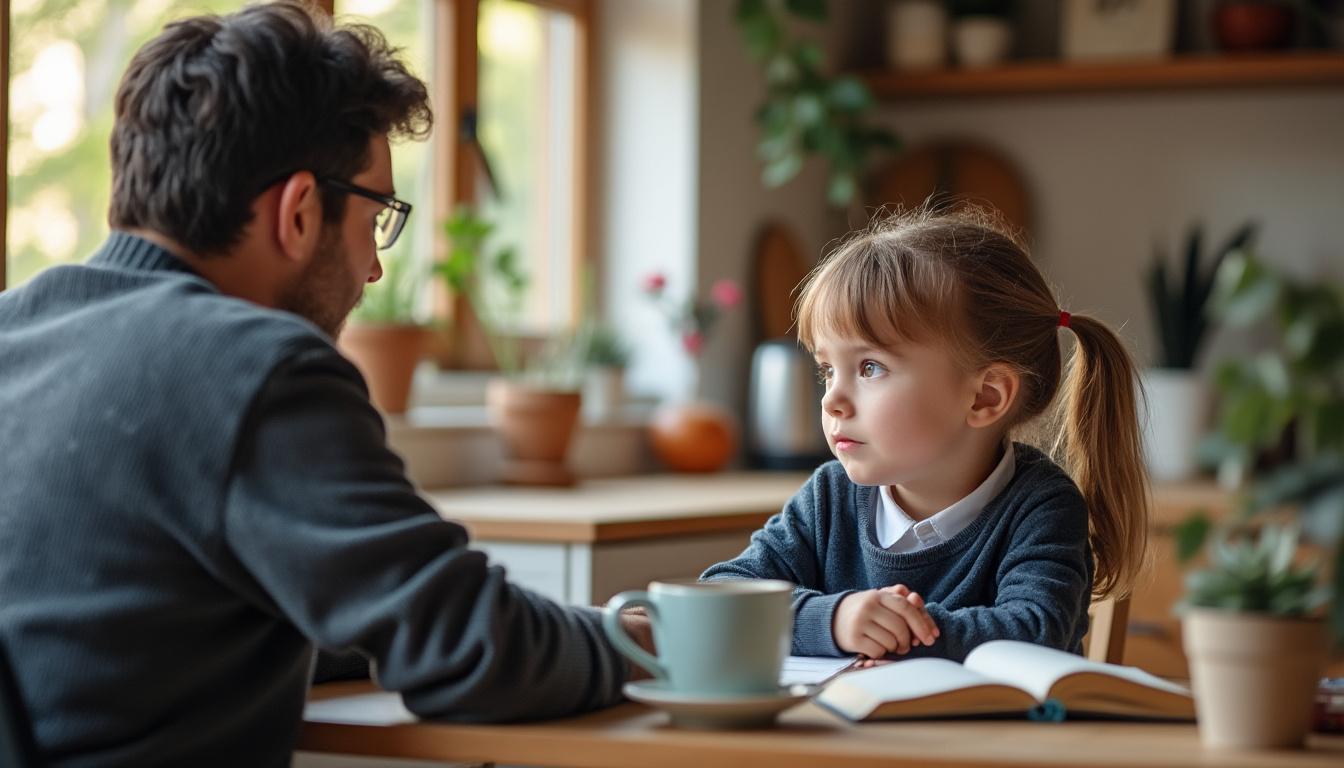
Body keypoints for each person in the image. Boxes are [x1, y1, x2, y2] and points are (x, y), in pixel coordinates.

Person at [0, 3, 649, 765]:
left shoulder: (15, 327)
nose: (373, 270)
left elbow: (143, 623)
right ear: (300, 212)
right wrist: (648, 641)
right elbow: (475, 651)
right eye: (377, 219)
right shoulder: (257, 368)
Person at [702, 206, 1150, 663]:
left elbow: (1036, 630)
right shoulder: (828, 499)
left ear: (985, 397)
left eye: (870, 367)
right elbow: (718, 598)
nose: (832, 400)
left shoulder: (1040, 506)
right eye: (827, 370)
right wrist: (833, 619)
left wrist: (894, 630)